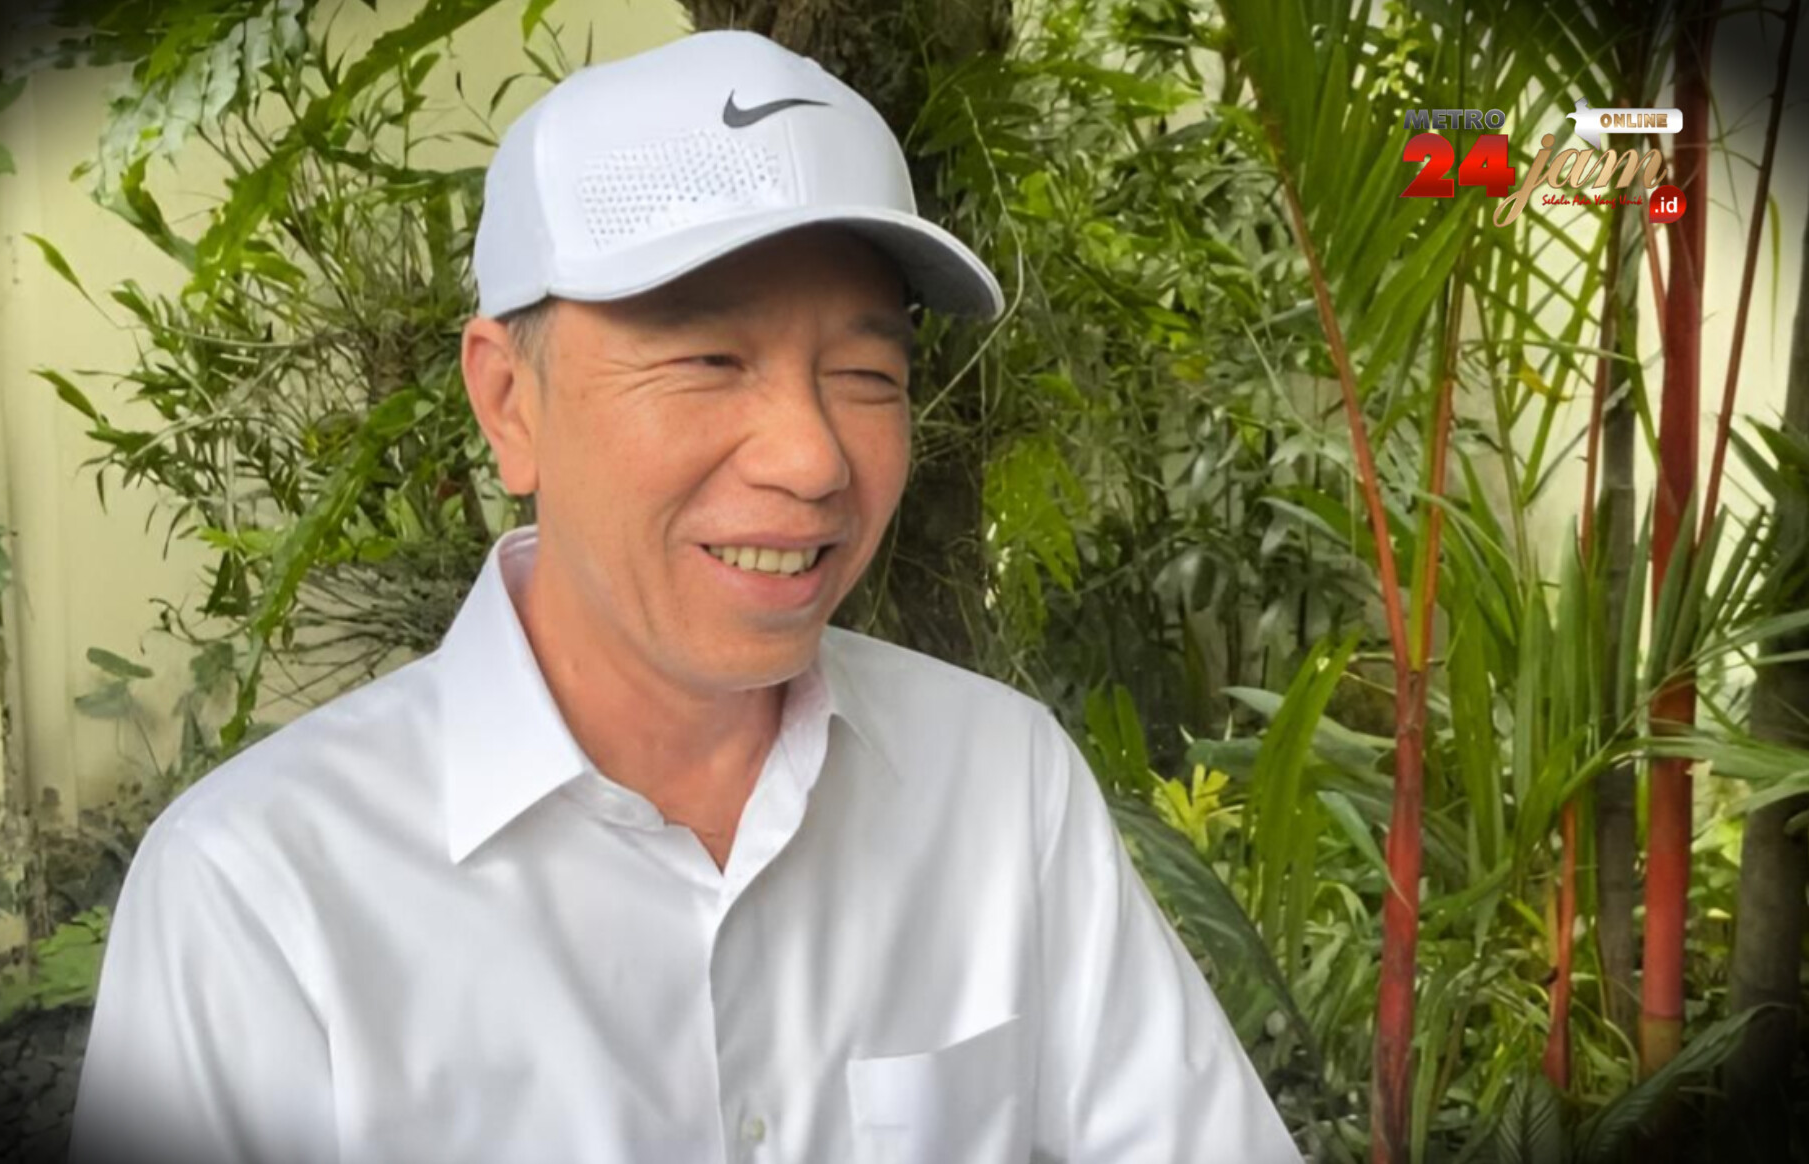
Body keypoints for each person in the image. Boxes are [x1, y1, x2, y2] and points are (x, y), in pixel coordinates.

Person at [72, 29, 1299, 1164]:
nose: (811, 459)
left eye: (866, 373)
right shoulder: (264, 893)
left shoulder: (997, 786)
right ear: (508, 401)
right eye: (709, 359)